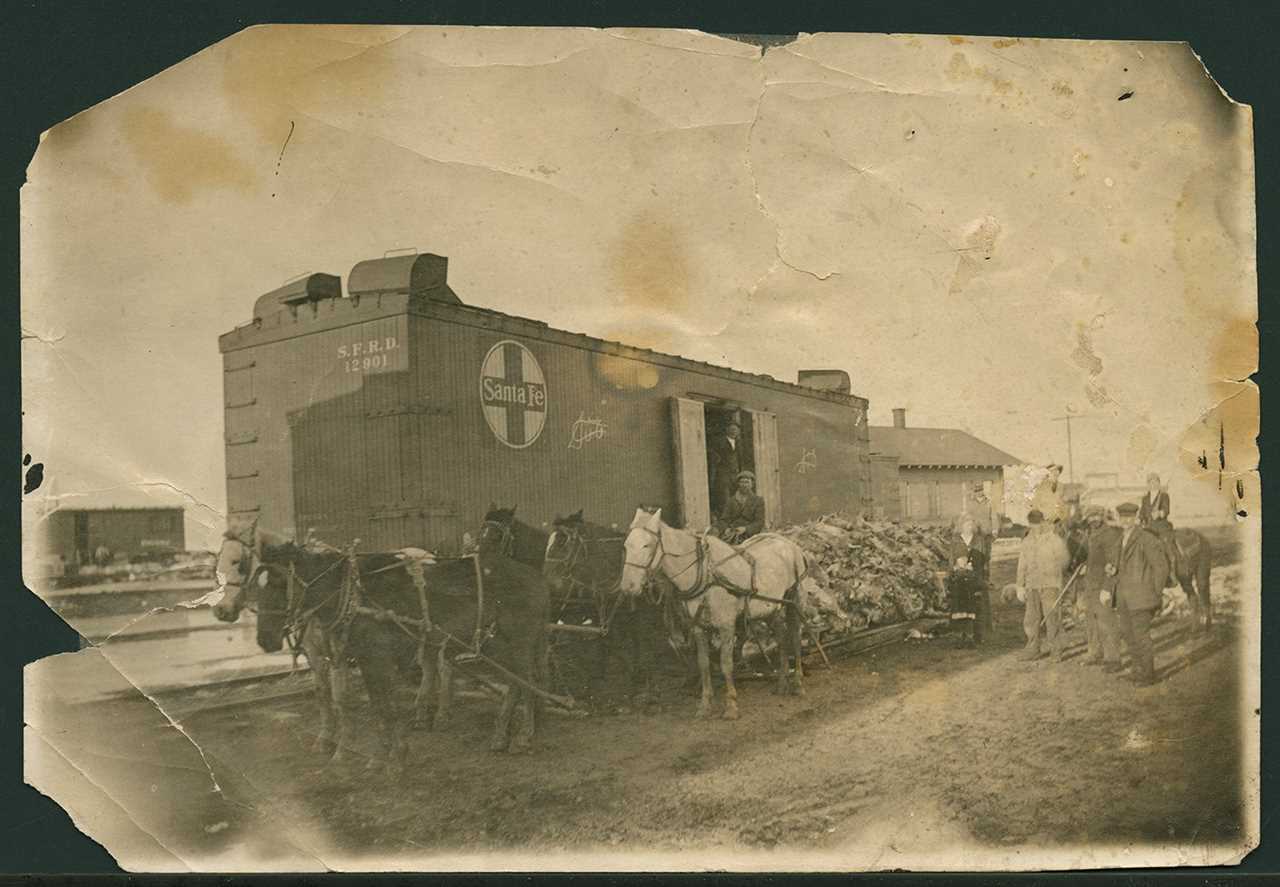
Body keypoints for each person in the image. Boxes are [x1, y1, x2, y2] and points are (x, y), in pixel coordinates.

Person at [1110, 501, 1169, 686]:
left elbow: (1161, 567)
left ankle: (1149, 675)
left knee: (1141, 637)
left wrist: (1156, 593)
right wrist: (1112, 569)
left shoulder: (1146, 538)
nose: (1126, 521)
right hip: (1124, 598)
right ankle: (1137, 671)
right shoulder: (1120, 539)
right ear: (1119, 519)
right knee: (1129, 635)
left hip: (1142, 598)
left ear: (1135, 518)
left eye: (1129, 517)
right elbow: (1119, 565)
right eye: (1122, 517)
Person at [1014, 509, 1070, 661]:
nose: (1035, 527)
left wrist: (1053, 572)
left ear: (1043, 522)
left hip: (1050, 585)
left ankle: (1056, 650)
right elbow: (1022, 564)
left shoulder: (1053, 539)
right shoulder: (1026, 541)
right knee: (1031, 619)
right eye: (1032, 524)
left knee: (1052, 618)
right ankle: (1033, 649)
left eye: (1038, 524)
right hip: (1032, 585)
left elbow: (1064, 560)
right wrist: (1020, 586)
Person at [1079, 506, 1123, 672]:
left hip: (1102, 586)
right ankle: (1094, 653)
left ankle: (1113, 659)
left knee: (1106, 622)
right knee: (1091, 620)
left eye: (1096, 516)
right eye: (1090, 517)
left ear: (1103, 517)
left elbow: (1112, 563)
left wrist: (1107, 588)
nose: (1093, 520)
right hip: (1090, 584)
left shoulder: (1109, 535)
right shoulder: (1091, 534)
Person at [946, 515, 991, 645]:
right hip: (959, 578)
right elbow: (951, 560)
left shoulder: (979, 540)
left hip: (975, 578)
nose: (969, 527)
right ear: (961, 526)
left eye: (971, 524)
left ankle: (976, 635)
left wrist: (983, 576)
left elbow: (985, 560)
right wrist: (954, 569)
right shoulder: (956, 541)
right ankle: (960, 635)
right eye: (966, 524)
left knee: (975, 606)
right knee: (959, 606)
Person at [1140, 472, 1180, 587]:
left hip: (1162, 527)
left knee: (1167, 548)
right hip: (1148, 528)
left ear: (1159, 483)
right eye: (1150, 482)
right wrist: (1139, 519)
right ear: (1148, 484)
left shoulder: (1164, 496)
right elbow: (1142, 513)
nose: (1153, 484)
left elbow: (1167, 510)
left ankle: (1171, 573)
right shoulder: (1145, 498)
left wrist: (1159, 513)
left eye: (1155, 482)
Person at [711, 470, 765, 543]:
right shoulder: (731, 501)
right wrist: (726, 528)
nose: (744, 485)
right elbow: (724, 520)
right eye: (742, 482)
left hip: (751, 535)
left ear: (752, 484)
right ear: (738, 484)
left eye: (747, 482)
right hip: (733, 534)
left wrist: (745, 529)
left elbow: (759, 522)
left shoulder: (758, 501)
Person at [707, 418, 742, 518]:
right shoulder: (720, 441)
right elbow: (710, 451)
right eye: (732, 429)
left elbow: (740, 458)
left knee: (735, 496)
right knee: (724, 496)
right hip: (723, 473)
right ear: (727, 430)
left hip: (735, 473)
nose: (734, 431)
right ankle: (724, 518)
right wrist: (716, 458)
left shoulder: (739, 443)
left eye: (736, 429)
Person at [1030, 464, 1069, 530]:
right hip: (1044, 521)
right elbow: (1035, 504)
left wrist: (1062, 516)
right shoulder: (1041, 487)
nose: (1055, 473)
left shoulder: (1062, 487)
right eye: (1052, 471)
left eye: (1057, 470)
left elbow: (1064, 503)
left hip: (1059, 521)